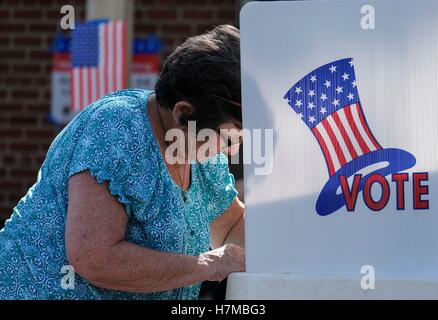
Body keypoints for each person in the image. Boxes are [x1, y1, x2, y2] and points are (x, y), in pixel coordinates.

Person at [0, 25, 245, 300]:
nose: (233, 148)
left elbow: (232, 226)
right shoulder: (116, 129)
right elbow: (94, 256)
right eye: (227, 137)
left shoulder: (199, 153)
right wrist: (209, 266)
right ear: (183, 113)